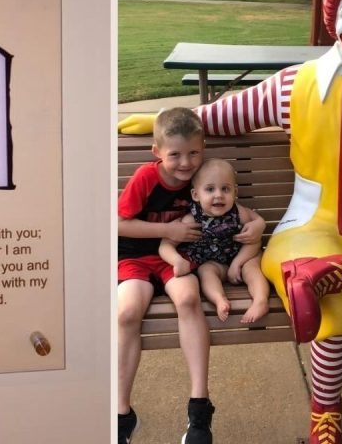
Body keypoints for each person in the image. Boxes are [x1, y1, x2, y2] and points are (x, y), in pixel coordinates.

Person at [119, 0, 342, 444]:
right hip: (309, 228)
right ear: (332, 14)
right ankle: (326, 424)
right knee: (332, 307)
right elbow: (225, 113)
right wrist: (168, 123)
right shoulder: (296, 84)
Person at [116, 107, 264, 444]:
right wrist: (167, 228)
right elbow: (119, 223)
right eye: (175, 155)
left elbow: (243, 212)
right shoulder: (146, 178)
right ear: (157, 153)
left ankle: (199, 409)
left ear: (203, 149)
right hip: (136, 257)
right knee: (127, 312)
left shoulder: (200, 180)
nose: (185, 163)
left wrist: (257, 225)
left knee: (187, 297)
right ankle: (122, 413)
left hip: (179, 259)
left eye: (193, 153)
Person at [159, 157, 270, 324]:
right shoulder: (191, 220)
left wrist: (237, 263)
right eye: (210, 189)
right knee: (206, 271)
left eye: (225, 189)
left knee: (252, 267)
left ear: (235, 192)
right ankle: (219, 300)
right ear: (196, 195)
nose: (218, 195)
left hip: (241, 257)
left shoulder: (239, 213)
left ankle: (261, 301)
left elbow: (254, 240)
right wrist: (177, 261)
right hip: (214, 264)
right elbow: (165, 245)